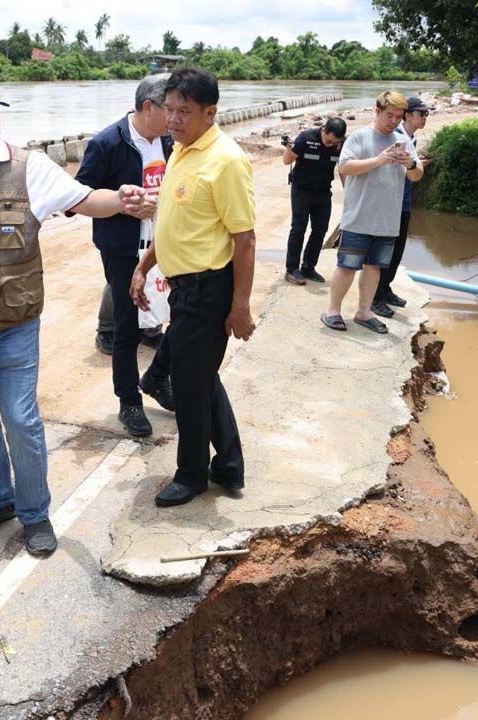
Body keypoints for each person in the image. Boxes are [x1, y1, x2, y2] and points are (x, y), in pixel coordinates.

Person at [0, 74, 146, 555]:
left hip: (14, 323)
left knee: (19, 418)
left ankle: (34, 513)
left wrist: (121, 200)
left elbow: (83, 198)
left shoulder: (28, 168)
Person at [131, 68, 256, 508]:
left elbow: (245, 240)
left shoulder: (226, 161)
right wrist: (143, 266)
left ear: (210, 112)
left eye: (184, 111)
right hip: (184, 289)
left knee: (188, 385)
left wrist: (240, 307)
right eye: (169, 109)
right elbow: (172, 220)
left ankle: (192, 476)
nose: (173, 119)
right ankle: (228, 466)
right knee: (201, 378)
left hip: (210, 290)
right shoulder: (182, 150)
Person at [76, 74, 176, 437]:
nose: (176, 117)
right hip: (123, 249)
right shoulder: (108, 143)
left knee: (175, 315)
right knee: (127, 325)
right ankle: (129, 401)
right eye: (171, 109)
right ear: (149, 107)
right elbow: (79, 198)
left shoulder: (169, 141)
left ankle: (157, 379)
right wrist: (123, 206)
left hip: (166, 242)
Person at [321, 91, 423, 335]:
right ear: (376, 112)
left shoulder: (404, 140)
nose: (394, 121)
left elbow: (417, 174)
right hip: (359, 218)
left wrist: (409, 163)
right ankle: (333, 311)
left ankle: (364, 311)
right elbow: (344, 167)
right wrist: (380, 160)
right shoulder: (360, 137)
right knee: (347, 266)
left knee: (375, 267)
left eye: (399, 117)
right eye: (390, 115)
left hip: (388, 220)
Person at [372, 96, 428, 318]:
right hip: (390, 204)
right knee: (382, 253)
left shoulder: (410, 139)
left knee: (397, 252)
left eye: (427, 114)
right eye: (421, 114)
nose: (425, 118)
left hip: (404, 202)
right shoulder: (396, 138)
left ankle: (385, 289)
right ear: (408, 115)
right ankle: (375, 297)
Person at [281, 116, 346, 285]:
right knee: (298, 228)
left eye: (334, 143)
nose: (329, 145)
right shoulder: (306, 138)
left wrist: (349, 192)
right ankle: (292, 269)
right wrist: (288, 148)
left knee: (320, 229)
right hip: (301, 190)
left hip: (323, 192)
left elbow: (343, 169)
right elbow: (287, 160)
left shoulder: (342, 144)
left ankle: (308, 267)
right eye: (328, 140)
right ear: (323, 130)